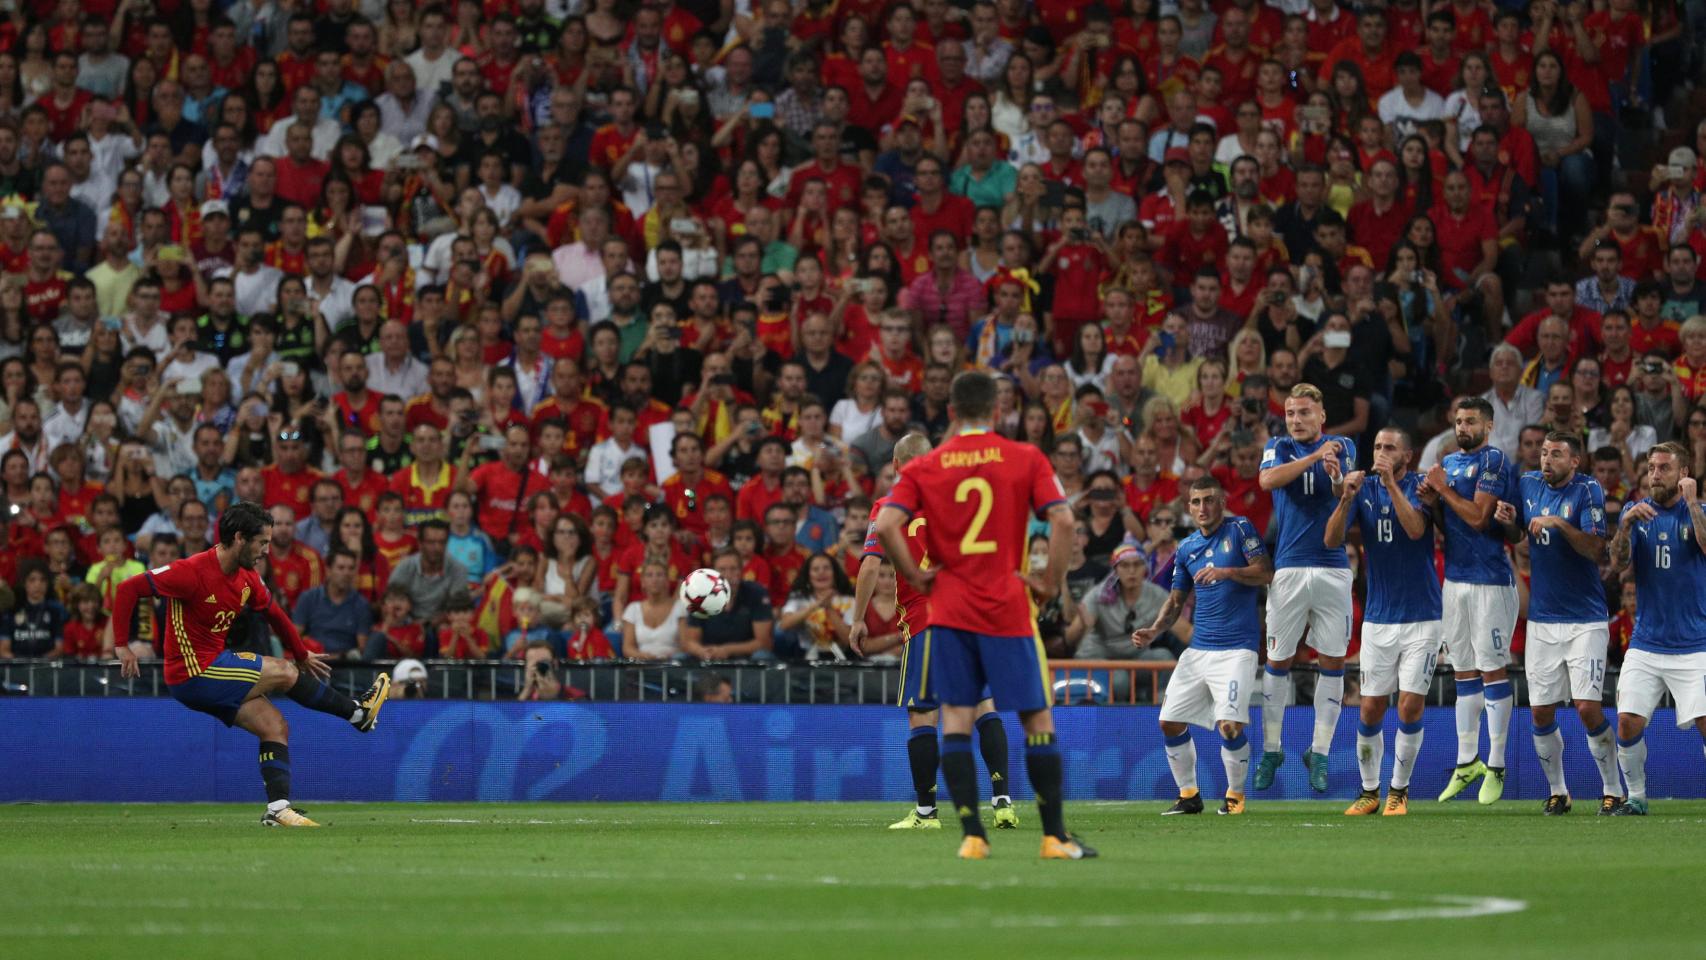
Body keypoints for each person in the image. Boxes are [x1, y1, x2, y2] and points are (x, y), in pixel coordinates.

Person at [874, 370, 1093, 861]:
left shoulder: (924, 466)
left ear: (951, 413)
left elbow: (888, 523)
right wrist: (1050, 582)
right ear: (997, 411)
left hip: (949, 611)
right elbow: (1063, 518)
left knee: (953, 716)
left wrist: (916, 573)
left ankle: (972, 837)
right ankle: (1054, 837)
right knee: (1036, 716)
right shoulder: (1025, 456)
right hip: (1008, 608)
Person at [106, 501, 391, 827]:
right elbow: (128, 588)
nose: (267, 550)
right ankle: (358, 713)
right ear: (240, 538)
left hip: (216, 665)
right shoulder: (191, 571)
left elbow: (275, 614)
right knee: (283, 671)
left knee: (275, 725)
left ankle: (278, 809)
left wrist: (300, 652)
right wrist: (121, 646)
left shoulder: (247, 578)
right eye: (262, 542)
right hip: (191, 672)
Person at [851, 431, 1016, 831]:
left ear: (894, 465)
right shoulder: (959, 497)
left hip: (926, 620)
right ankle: (1003, 803)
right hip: (970, 617)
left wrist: (858, 618)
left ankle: (926, 813)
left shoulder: (888, 506)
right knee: (983, 707)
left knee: (922, 715)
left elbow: (872, 565)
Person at [1497, 431, 1622, 815]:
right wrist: (1508, 523)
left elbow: (1596, 548)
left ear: (1574, 462)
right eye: (1543, 452)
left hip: (1585, 618)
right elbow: (1519, 532)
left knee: (1587, 707)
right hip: (1543, 620)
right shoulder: (1528, 482)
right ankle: (1558, 791)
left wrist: (1558, 524)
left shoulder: (1588, 491)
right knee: (1540, 711)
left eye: (1555, 454)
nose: (1545, 459)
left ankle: (1613, 789)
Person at [1134, 476, 1271, 816]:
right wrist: (1154, 629)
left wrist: (1226, 573)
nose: (1203, 508)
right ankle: (1189, 795)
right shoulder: (1187, 547)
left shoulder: (1240, 529)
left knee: (1229, 726)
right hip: (1198, 649)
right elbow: (1176, 600)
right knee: (1169, 722)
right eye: (1196, 502)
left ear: (1222, 501)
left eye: (1209, 500)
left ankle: (1235, 796)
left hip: (1237, 648)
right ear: (1189, 507)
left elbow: (1265, 572)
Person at [1323, 427, 1438, 816]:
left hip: (1423, 616)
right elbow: (1331, 539)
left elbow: (1416, 529)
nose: (1382, 453)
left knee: (1408, 706)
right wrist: (1345, 498)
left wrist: (1390, 484)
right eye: (1377, 447)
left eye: (1390, 448)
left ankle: (1398, 791)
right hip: (1378, 619)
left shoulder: (1422, 486)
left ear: (1408, 454)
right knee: (1370, 707)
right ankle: (1369, 791)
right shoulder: (1362, 488)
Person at [1253, 383, 1356, 794]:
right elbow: (1266, 481)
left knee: (1332, 663)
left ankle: (1320, 752)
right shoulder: (1279, 446)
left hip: (1332, 567)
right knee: (1277, 661)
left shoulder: (1342, 444)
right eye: (1291, 413)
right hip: (1290, 569)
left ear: (1321, 417)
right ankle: (1272, 749)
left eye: (1304, 413)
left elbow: (1340, 491)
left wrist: (1333, 475)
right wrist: (1315, 457)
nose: (1296, 420)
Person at [1424, 396, 1518, 805]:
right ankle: (1467, 763)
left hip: (1490, 581)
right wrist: (1432, 502)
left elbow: (1481, 519)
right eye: (1459, 421)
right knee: (1463, 672)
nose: (1463, 427)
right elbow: (1450, 525)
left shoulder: (1494, 461)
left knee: (1492, 669)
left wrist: (1442, 487)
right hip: (1456, 581)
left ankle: (1496, 764)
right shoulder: (1451, 464)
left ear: (1489, 425)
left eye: (1471, 421)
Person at [1604, 442, 1706, 816]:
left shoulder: (1700, 512)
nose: (1655, 474)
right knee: (1628, 721)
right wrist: (1625, 525)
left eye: (1664, 467)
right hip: (1647, 644)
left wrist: (1693, 503)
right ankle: (1636, 797)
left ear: (1683, 473)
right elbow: (1616, 565)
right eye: (1651, 468)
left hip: (1695, 644)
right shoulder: (1637, 513)